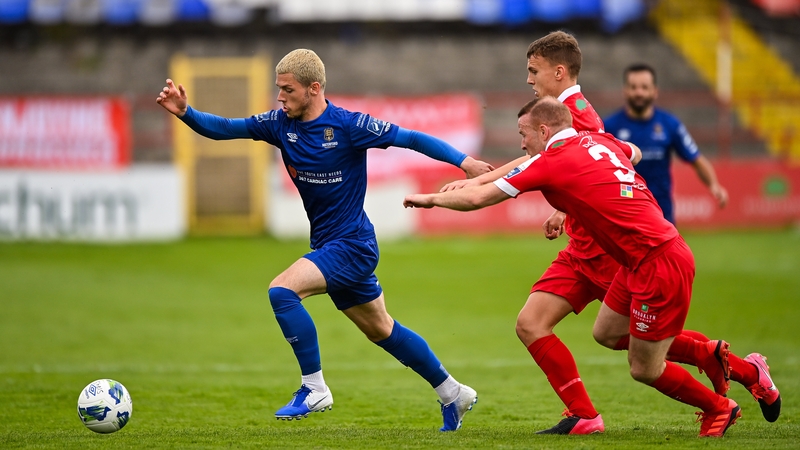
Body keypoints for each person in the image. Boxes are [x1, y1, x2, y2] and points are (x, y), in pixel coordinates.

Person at [155, 48, 492, 431]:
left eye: (288, 90)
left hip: (353, 245)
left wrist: (464, 162)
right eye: (278, 89)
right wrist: (186, 112)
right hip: (331, 246)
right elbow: (226, 128)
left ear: (314, 88)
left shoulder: (349, 126)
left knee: (282, 291)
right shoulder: (280, 124)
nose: (280, 98)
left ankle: (314, 388)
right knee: (381, 329)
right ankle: (453, 392)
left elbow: (410, 138)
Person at [442, 30, 754, 435]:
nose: (528, 79)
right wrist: (558, 206)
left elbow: (564, 167)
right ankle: (585, 415)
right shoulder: (562, 112)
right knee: (535, 323)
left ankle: (729, 368)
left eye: (533, 71)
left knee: (637, 350)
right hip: (583, 248)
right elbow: (565, 166)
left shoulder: (576, 113)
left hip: (610, 251)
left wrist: (475, 184)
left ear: (558, 72)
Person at [604, 63, 729, 224]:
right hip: (624, 215)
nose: (639, 92)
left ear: (655, 91)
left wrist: (714, 185)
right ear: (625, 91)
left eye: (644, 87)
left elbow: (696, 159)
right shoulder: (609, 127)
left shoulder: (670, 124)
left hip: (661, 215)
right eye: (633, 87)